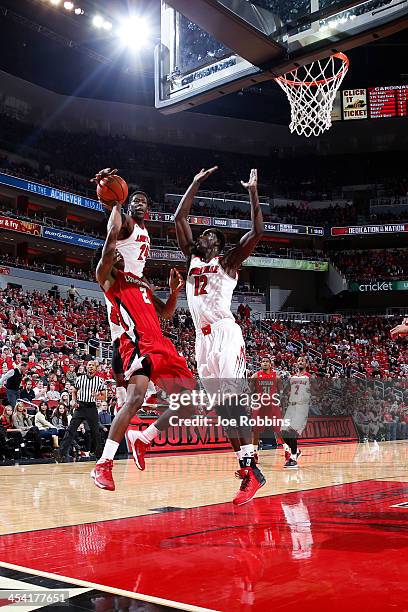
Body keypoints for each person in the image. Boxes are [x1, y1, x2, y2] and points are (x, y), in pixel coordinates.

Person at [91, 201, 197, 492]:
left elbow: (166, 313)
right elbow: (111, 241)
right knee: (134, 399)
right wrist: (113, 204)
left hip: (161, 343)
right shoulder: (110, 280)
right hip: (136, 344)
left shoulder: (142, 281)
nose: (119, 258)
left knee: (191, 402)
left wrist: (174, 292)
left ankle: (144, 438)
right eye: (115, 257)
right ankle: (104, 463)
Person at [175, 167, 266, 505]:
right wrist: (196, 181)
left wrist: (253, 191)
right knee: (223, 410)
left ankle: (251, 468)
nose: (205, 235)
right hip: (202, 339)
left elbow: (257, 230)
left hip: (226, 333)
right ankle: (247, 467)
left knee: (233, 403)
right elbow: (179, 217)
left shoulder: (228, 263)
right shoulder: (192, 259)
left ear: (219, 244)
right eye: (204, 234)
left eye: (211, 234)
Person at [55, 360, 107, 461]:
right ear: (86, 367)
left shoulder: (99, 381)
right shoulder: (80, 378)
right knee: (71, 429)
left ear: (96, 368)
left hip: (91, 407)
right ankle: (61, 453)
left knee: (95, 432)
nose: (90, 367)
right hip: (80, 406)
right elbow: (74, 390)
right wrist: (74, 400)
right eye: (89, 365)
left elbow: (104, 397)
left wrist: (97, 396)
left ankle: (99, 455)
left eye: (92, 365)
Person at [280, 356, 311, 469]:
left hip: (301, 407)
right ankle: (296, 451)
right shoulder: (292, 378)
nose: (300, 362)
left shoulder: (309, 377)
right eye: (298, 361)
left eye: (302, 360)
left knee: (292, 431)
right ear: (296, 364)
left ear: (306, 364)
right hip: (291, 407)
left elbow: (317, 390)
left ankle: (293, 458)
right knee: (283, 432)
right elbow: (285, 390)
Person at [250, 356, 281, 453]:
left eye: (267, 361)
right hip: (260, 404)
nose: (264, 363)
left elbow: (280, 391)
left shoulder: (276, 376)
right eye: (263, 361)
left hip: (272, 404)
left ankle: (287, 451)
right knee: (256, 430)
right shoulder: (255, 376)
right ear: (260, 364)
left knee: (278, 429)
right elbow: (251, 391)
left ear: (270, 364)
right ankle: (254, 452)